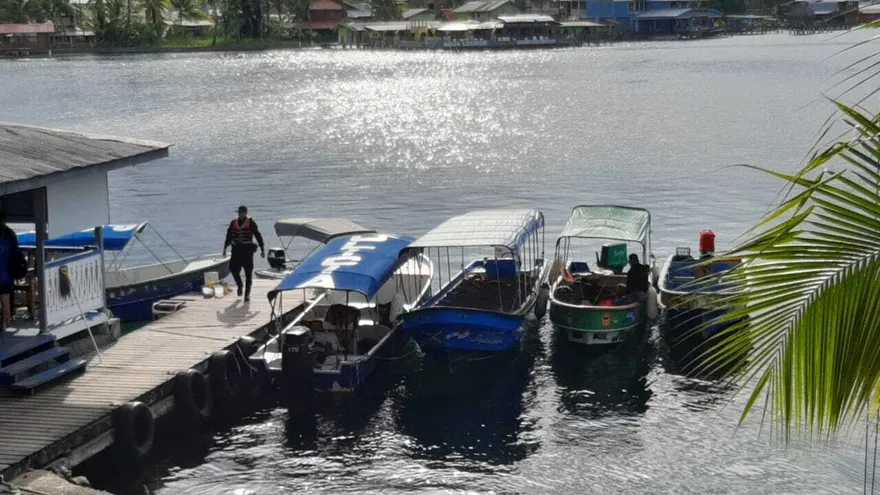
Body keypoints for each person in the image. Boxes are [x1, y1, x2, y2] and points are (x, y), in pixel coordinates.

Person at [223, 206, 265, 302]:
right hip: (236, 250)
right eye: (239, 212)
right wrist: (225, 247)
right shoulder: (233, 223)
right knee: (233, 269)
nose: (239, 214)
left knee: (248, 273)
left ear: (245, 213)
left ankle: (247, 294)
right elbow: (229, 235)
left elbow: (258, 235)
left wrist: (262, 248)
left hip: (247, 251)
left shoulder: (251, 223)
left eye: (241, 212)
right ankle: (240, 285)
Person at [0, 211, 21, 330]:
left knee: (5, 298)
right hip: (6, 272)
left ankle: (5, 323)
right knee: (5, 298)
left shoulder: (8, 234)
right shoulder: (10, 233)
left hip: (5, 271)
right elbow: (15, 252)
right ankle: (5, 323)